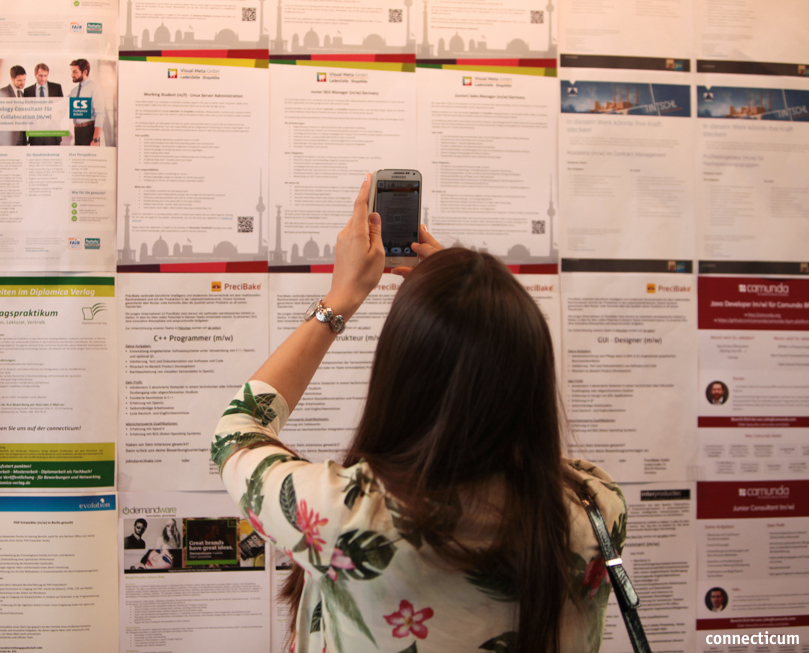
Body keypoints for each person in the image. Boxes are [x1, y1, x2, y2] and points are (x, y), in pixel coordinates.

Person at [212, 174, 627, 653]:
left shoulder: (348, 516)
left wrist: (341, 298)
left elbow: (236, 433)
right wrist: (477, 308)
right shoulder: (597, 507)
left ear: (400, 376)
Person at [24, 63, 64, 146]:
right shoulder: (28, 91)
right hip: (35, 135)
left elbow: (63, 108)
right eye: (40, 75)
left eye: (45, 76)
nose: (43, 78)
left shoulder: (56, 88)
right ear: (35, 74)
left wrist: (58, 116)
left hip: (52, 134)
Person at [68, 59, 104, 146]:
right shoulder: (74, 91)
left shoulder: (94, 87)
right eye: (72, 71)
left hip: (89, 131)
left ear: (84, 72)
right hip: (77, 131)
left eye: (75, 72)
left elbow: (100, 114)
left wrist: (95, 139)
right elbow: (63, 104)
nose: (72, 75)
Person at [0, 65, 28, 145]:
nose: (23, 83)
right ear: (12, 78)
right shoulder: (2, 93)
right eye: (19, 80)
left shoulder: (22, 94)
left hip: (22, 138)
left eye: (24, 79)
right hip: (9, 139)